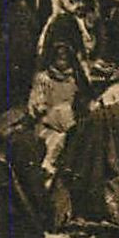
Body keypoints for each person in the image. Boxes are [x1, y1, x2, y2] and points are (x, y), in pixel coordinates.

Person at [28, 39, 86, 175]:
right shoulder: (43, 79)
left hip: (68, 125)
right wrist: (41, 107)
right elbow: (36, 103)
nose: (62, 62)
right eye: (58, 58)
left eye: (65, 59)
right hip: (47, 125)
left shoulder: (73, 79)